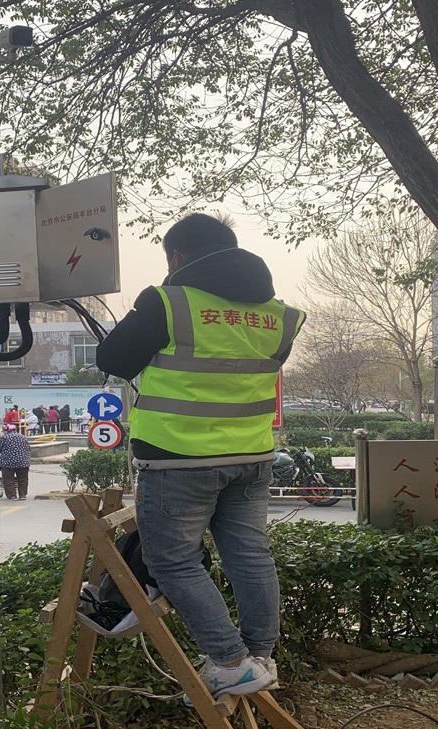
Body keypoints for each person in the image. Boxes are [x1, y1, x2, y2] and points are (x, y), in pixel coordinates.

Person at [95, 213, 305, 702]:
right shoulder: (280, 316)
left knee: (171, 562)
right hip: (251, 455)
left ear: (178, 257)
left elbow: (113, 360)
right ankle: (259, 657)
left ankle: (230, 662)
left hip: (177, 456)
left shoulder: (167, 301)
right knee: (251, 555)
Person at [0, 424, 31, 500]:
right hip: (23, 462)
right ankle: (22, 495)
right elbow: (28, 448)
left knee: (8, 479)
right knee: (23, 479)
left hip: (8, 463)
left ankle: (12, 496)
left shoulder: (4, 437)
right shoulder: (22, 437)